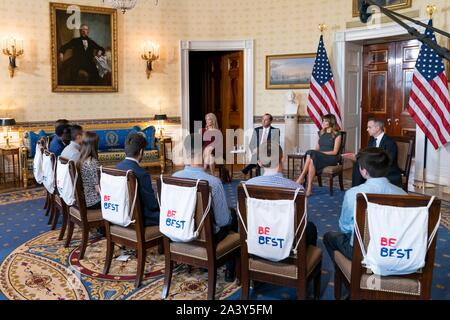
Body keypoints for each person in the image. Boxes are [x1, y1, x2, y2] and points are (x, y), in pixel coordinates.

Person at [323, 148, 407, 263]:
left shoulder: (353, 194)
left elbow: (344, 227)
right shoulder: (403, 194)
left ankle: (349, 274)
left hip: (362, 251)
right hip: (394, 252)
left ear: (364, 171)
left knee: (329, 237)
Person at [173, 133, 236, 282]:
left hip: (181, 229)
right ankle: (230, 271)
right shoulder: (213, 182)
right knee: (233, 217)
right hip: (207, 235)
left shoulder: (174, 177)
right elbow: (223, 221)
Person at [246, 143, 317, 247]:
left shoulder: (247, 186)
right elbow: (302, 220)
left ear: (259, 163)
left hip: (258, 237)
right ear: (282, 159)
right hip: (286, 242)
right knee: (311, 228)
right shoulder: (297, 189)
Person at [116, 133, 160, 227]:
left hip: (120, 215)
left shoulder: (116, 168)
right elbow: (152, 205)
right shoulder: (142, 173)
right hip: (141, 218)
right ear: (141, 152)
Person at [344, 118, 402, 188]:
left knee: (362, 167)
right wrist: (356, 156)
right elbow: (367, 154)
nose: (367, 129)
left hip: (387, 170)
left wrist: (373, 165)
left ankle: (362, 191)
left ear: (377, 128)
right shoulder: (371, 140)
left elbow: (389, 161)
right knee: (358, 164)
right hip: (374, 167)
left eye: (369, 127)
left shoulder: (389, 142)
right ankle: (357, 191)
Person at [296, 114, 342, 196]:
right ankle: (309, 187)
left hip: (331, 158)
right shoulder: (321, 133)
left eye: (325, 121)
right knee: (312, 157)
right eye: (323, 121)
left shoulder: (337, 134)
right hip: (319, 156)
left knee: (312, 153)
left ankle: (302, 176)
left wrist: (320, 153)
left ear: (331, 122)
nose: (323, 123)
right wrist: (318, 153)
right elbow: (317, 148)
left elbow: (335, 152)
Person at [78, 132, 101, 210]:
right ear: (94, 145)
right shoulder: (92, 162)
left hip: (85, 199)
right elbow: (98, 189)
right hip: (94, 201)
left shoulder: (81, 159)